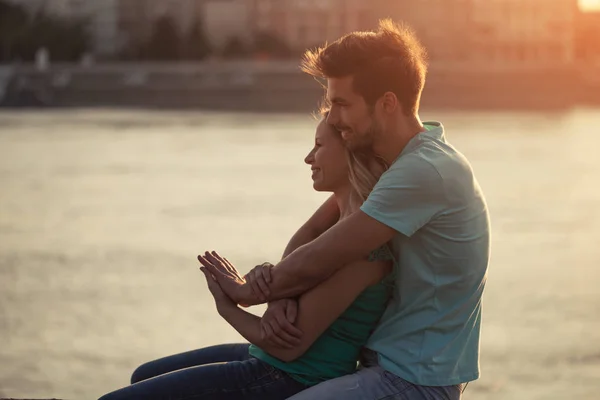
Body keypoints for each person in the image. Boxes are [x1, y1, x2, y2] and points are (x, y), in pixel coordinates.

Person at [202, 19, 491, 400]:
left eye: (341, 103)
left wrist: (242, 293)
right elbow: (312, 233)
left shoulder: (424, 172)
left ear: (387, 103)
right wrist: (279, 298)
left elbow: (328, 252)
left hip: (413, 382)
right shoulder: (398, 163)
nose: (333, 118)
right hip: (382, 366)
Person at [98, 113, 396, 400]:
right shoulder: (342, 210)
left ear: (349, 152)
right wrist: (279, 296)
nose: (308, 157)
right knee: (143, 374)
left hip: (291, 376)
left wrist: (227, 306)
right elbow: (304, 237)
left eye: (318, 146)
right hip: (269, 359)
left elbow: (288, 348)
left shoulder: (364, 248)